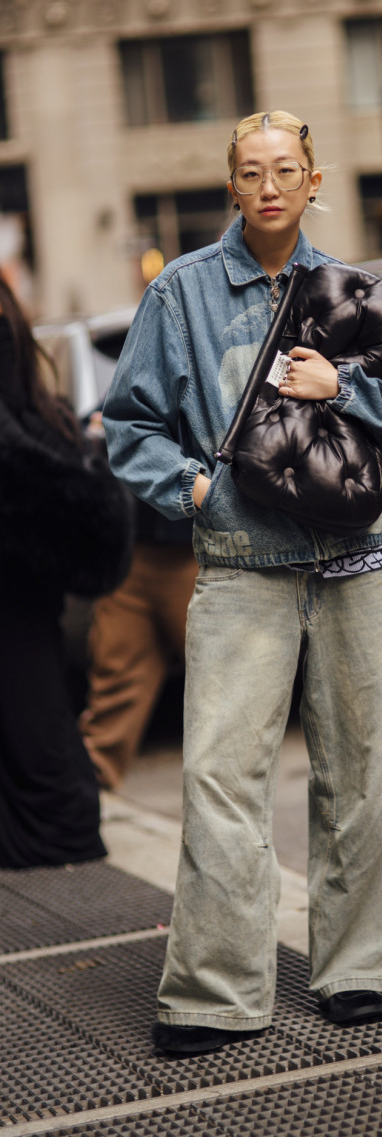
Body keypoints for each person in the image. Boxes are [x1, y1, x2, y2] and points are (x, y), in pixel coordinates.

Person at [102, 110, 382, 1056]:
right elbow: (128, 424)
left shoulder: (353, 293)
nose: (270, 187)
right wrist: (195, 488)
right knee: (219, 776)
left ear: (313, 178)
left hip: (354, 557)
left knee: (365, 772)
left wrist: (348, 389)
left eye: (285, 169)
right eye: (251, 172)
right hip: (244, 561)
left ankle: (360, 969)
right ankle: (215, 991)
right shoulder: (182, 294)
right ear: (232, 185)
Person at [0, 276, 131, 868]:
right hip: (25, 633)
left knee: (53, 791)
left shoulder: (34, 424)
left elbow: (88, 539)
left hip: (25, 628)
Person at [80, 479, 198, 792]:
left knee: (230, 703)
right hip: (130, 546)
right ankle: (80, 817)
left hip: (201, 548)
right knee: (109, 710)